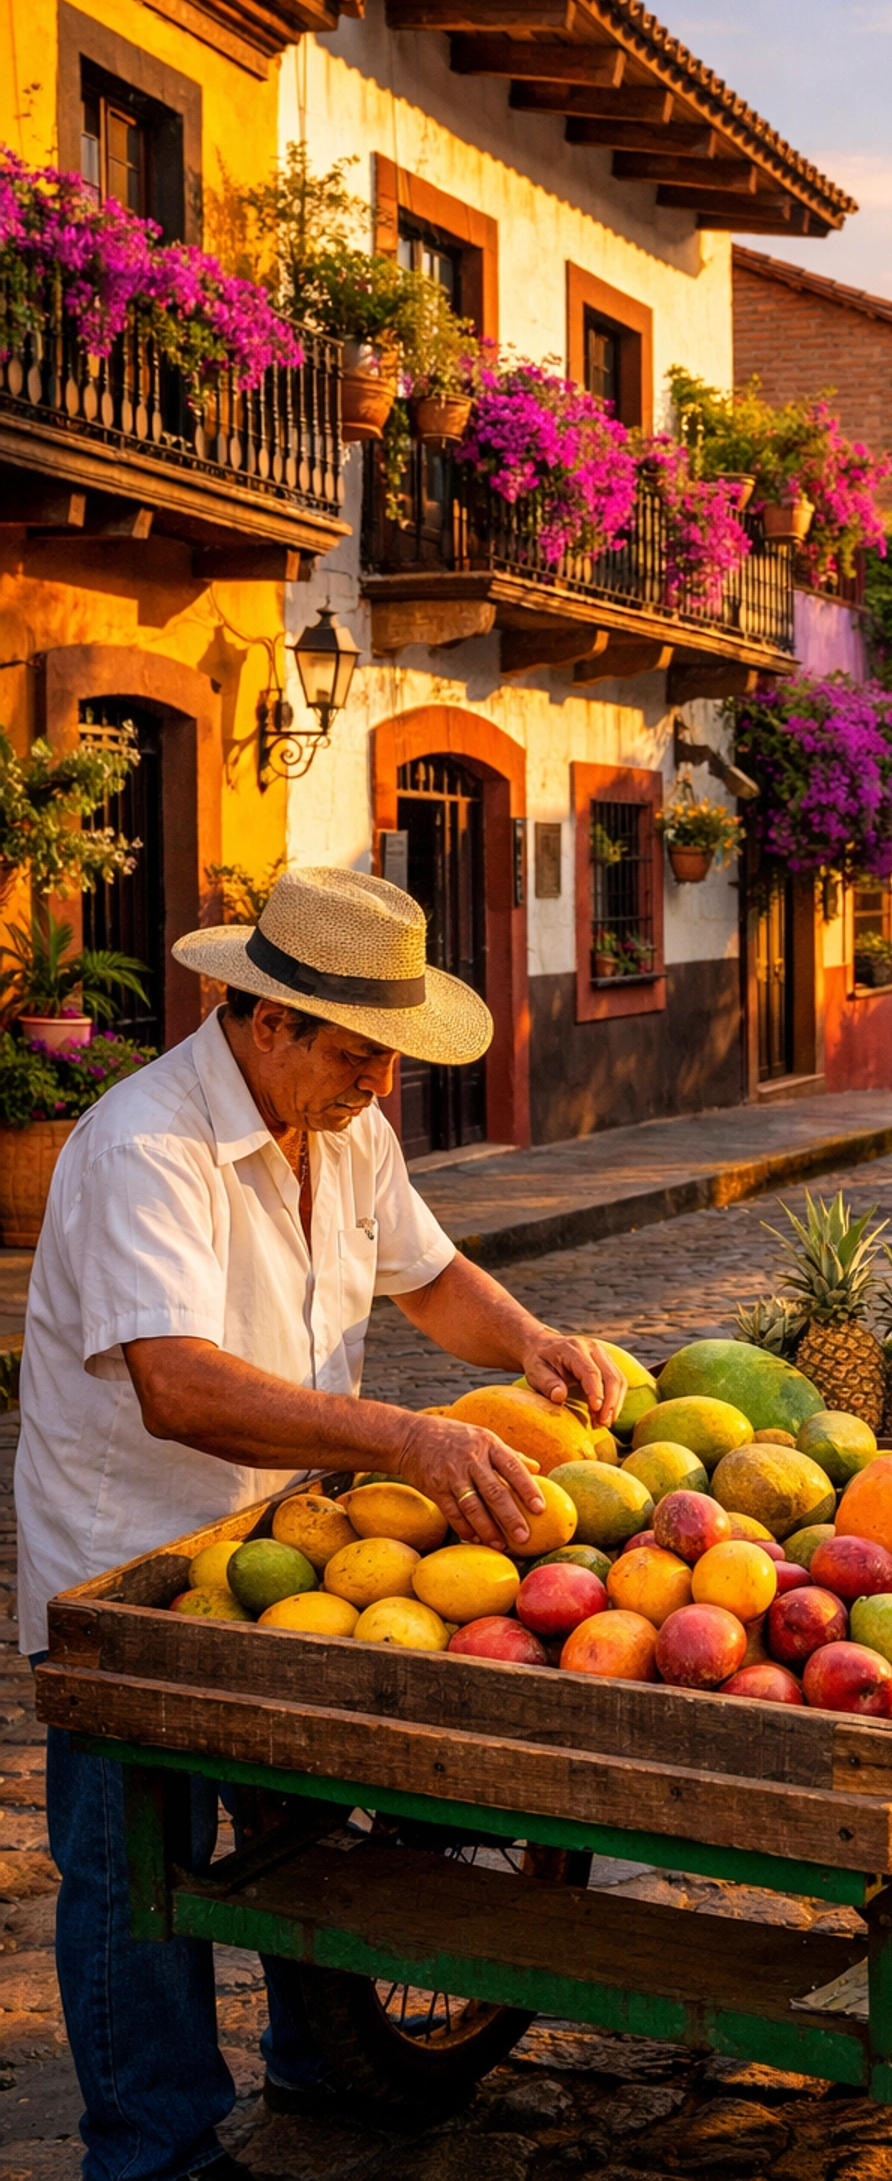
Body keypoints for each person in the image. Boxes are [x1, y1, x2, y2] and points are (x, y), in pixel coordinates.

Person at [19, 868, 627, 2181]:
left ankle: (324, 2057)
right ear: (264, 1020)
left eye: (393, 1059)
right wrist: (408, 1437)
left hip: (293, 1551)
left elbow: (430, 1274)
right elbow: (176, 1386)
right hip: (135, 1573)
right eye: (359, 1055)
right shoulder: (148, 1146)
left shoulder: (347, 1124)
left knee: (306, 1820)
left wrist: (532, 1344)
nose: (382, 1086)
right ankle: (157, 2150)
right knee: (134, 1876)